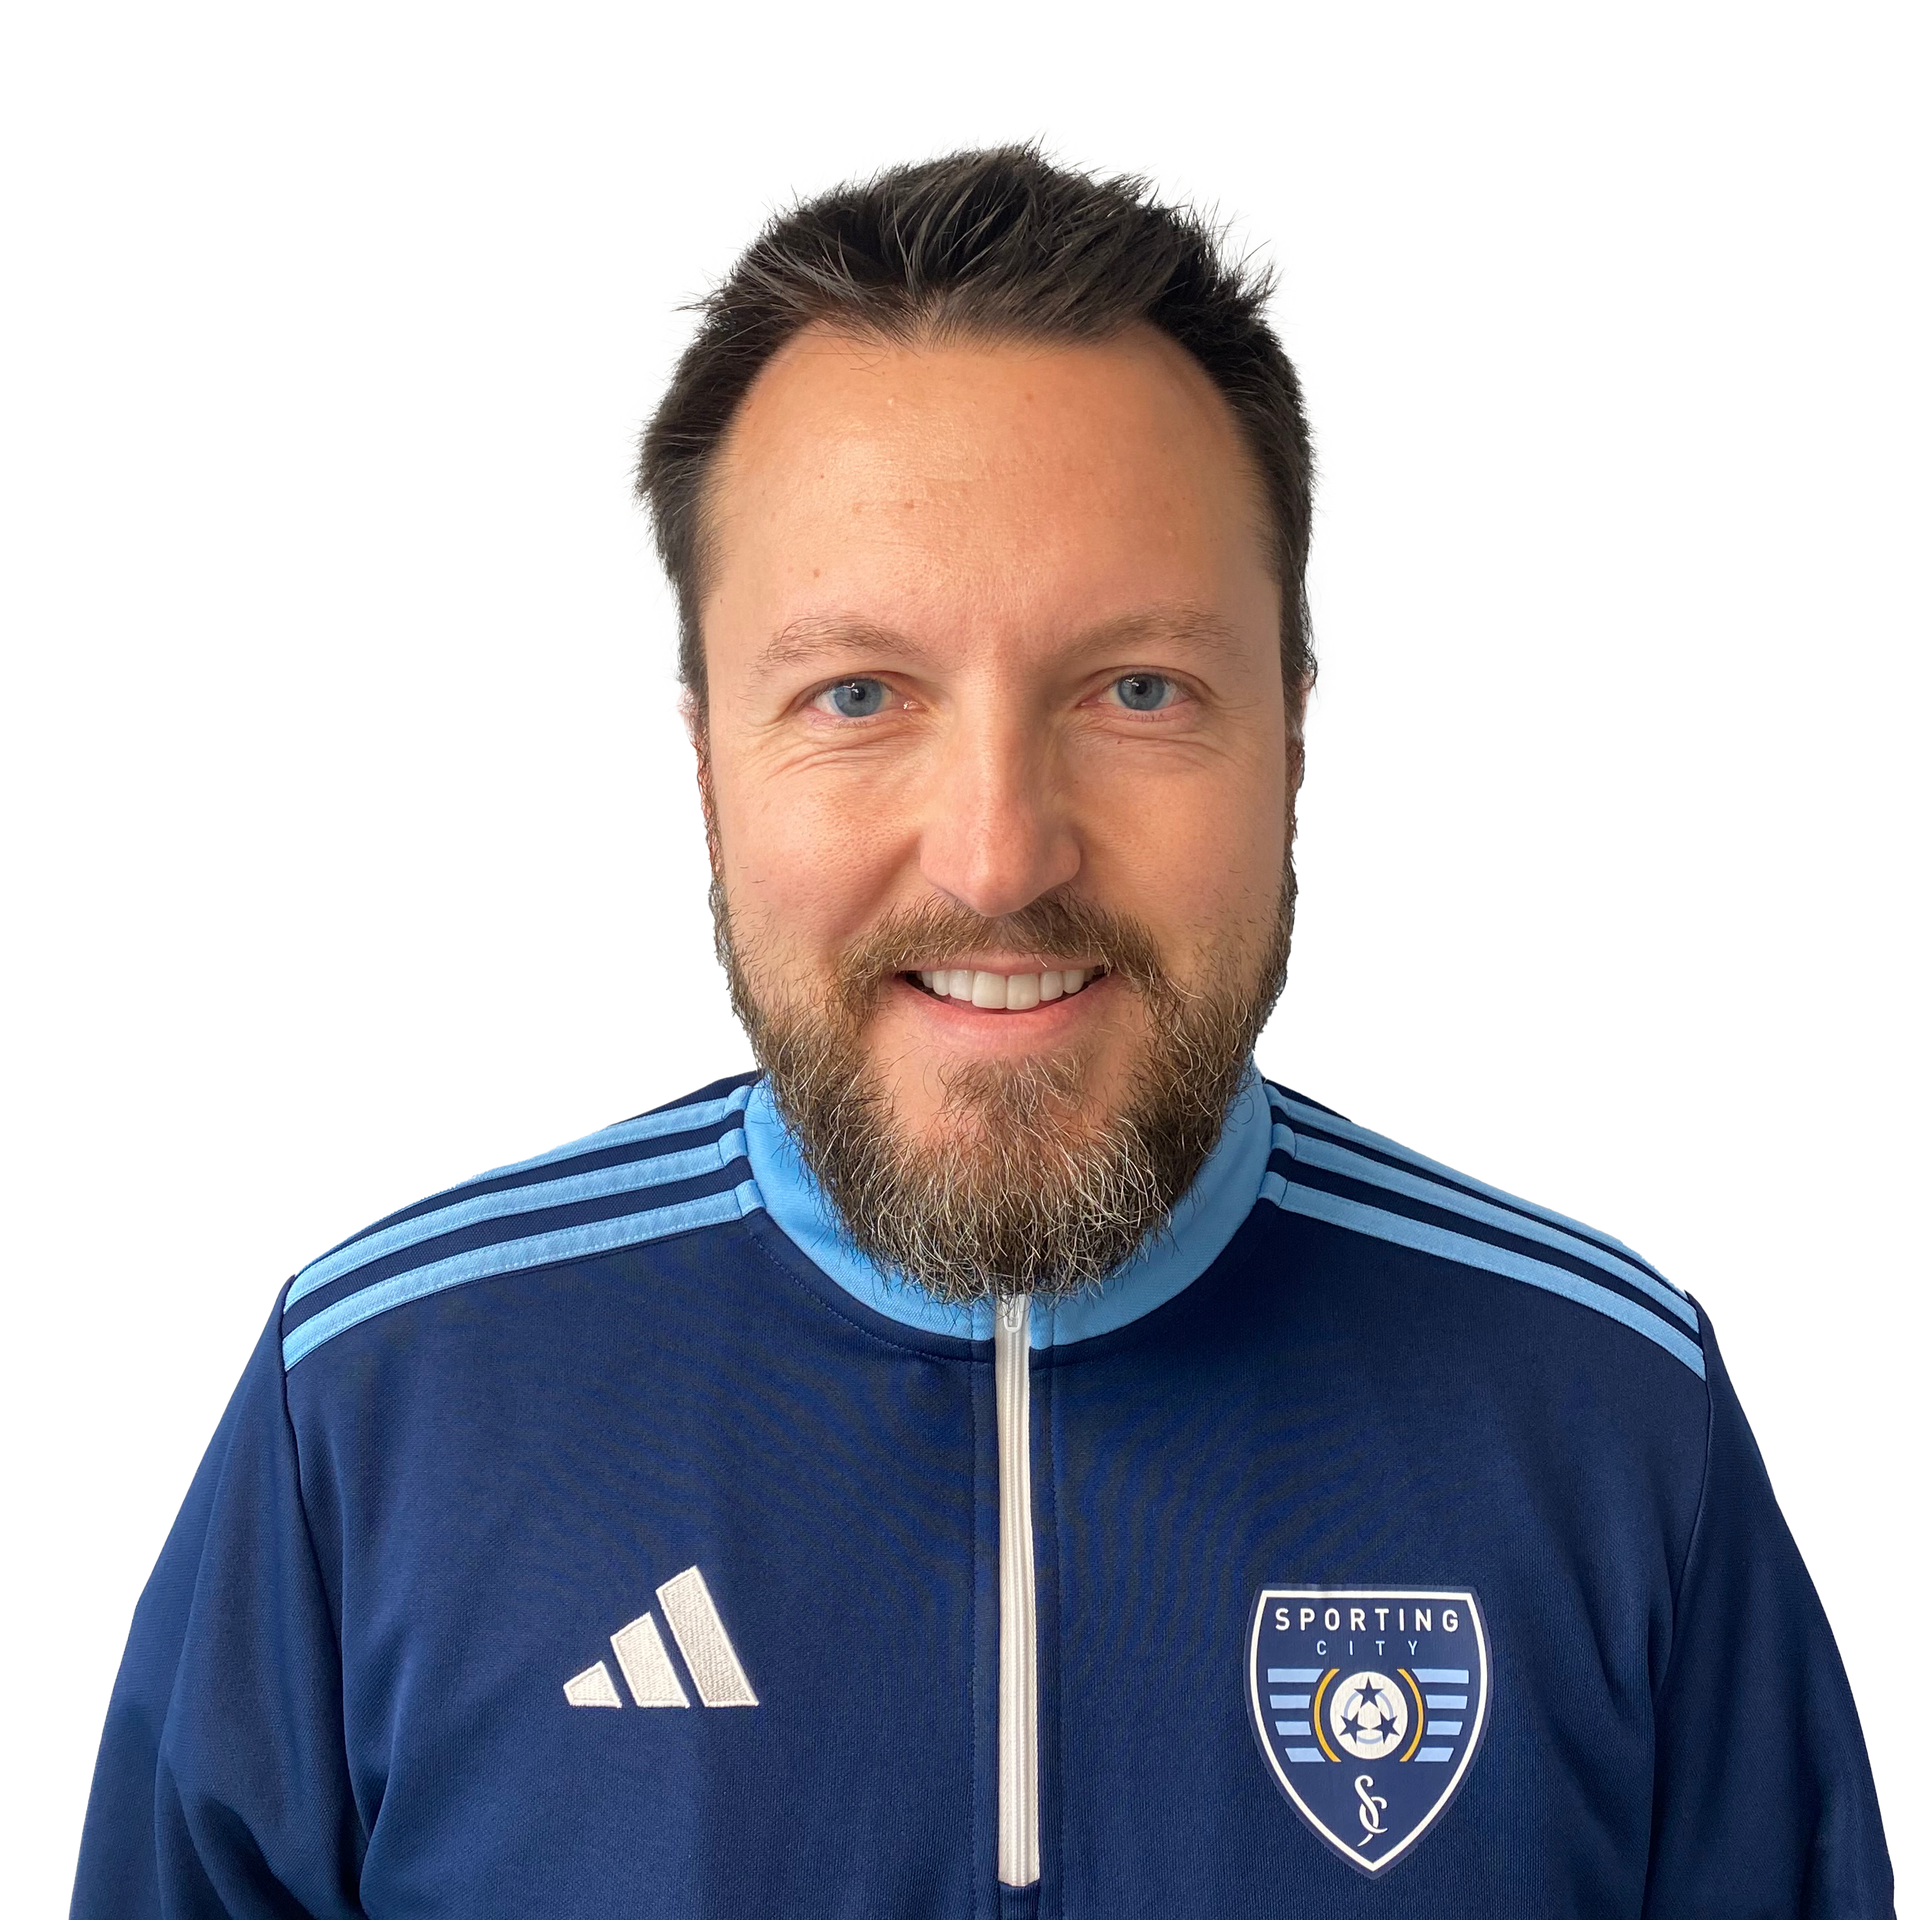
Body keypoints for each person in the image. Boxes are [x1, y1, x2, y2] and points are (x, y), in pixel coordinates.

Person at [71, 125, 1892, 1919]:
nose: (1000, 856)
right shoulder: (371, 1405)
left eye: (1139, 688)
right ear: (703, 759)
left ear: (1297, 727)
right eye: (858, 695)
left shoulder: (1614, 1406)